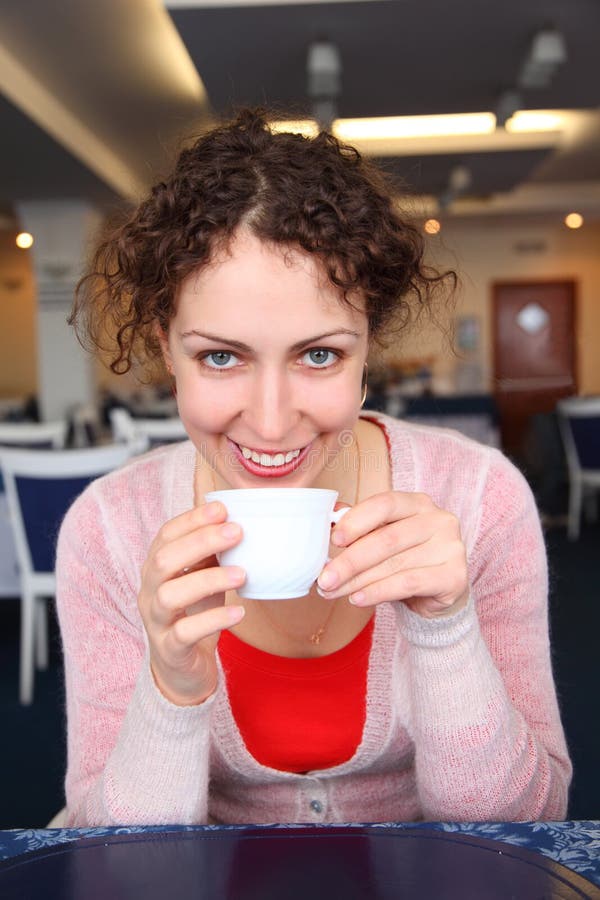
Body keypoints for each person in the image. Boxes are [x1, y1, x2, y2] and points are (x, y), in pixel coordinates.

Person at [58, 108, 571, 826]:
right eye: (220, 356)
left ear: (368, 351)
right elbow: (117, 858)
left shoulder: (481, 500)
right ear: (166, 351)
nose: (271, 422)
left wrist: (446, 629)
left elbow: (526, 827)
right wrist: (171, 688)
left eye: (319, 354)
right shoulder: (110, 530)